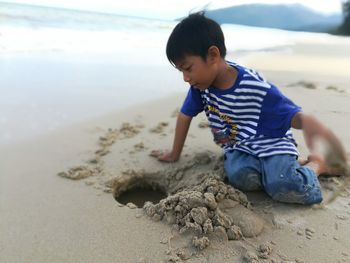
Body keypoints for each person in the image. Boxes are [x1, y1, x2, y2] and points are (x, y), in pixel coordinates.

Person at [151, 13, 347, 205]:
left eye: (188, 68)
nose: (185, 77)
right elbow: (185, 115)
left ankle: (316, 165)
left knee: (282, 185)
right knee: (240, 177)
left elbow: (290, 113)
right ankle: (291, 166)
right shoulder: (200, 86)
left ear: (213, 55)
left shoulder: (254, 86)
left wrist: (313, 127)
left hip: (271, 142)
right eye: (181, 71)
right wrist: (174, 153)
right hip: (239, 146)